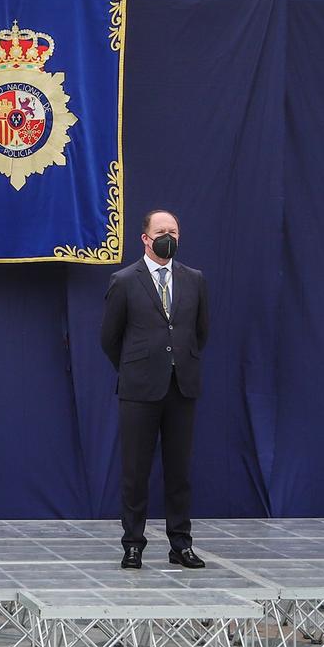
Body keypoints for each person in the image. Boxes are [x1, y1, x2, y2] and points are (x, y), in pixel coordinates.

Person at [100, 210, 210, 570]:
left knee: (179, 471)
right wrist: (136, 367)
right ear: (145, 238)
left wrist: (181, 361)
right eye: (161, 231)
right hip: (139, 388)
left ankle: (181, 543)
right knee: (136, 471)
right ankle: (133, 543)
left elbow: (200, 331)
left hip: (182, 386)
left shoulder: (193, 279)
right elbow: (110, 338)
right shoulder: (124, 280)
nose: (169, 237)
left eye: (174, 231)